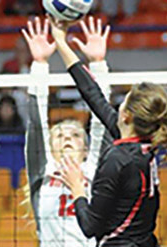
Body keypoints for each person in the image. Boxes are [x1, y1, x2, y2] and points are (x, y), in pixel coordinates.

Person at [49, 16, 167, 246]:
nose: (117, 104)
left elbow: (91, 226)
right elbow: (93, 94)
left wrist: (77, 187)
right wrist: (62, 42)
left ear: (126, 115)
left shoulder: (117, 159)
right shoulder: (141, 143)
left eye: (124, 100)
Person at [22, 17, 111, 247]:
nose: (68, 139)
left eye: (75, 135)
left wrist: (98, 63)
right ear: (50, 146)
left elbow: (103, 119)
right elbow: (37, 122)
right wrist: (40, 64)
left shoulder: (94, 169)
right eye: (60, 135)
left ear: (86, 147)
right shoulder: (43, 171)